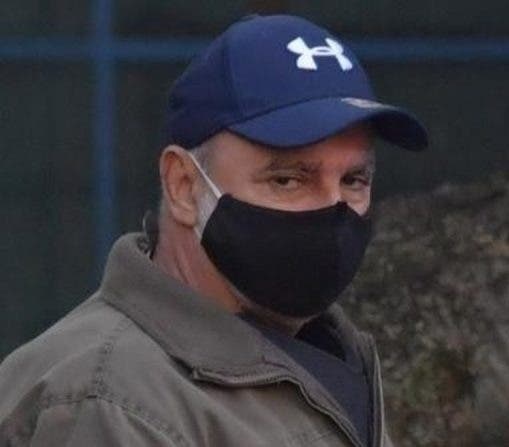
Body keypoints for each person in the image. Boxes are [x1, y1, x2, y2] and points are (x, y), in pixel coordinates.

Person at [0, 14, 427, 447]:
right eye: (287, 180)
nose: (332, 210)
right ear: (183, 185)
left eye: (353, 180)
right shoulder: (112, 401)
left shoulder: (327, 353)